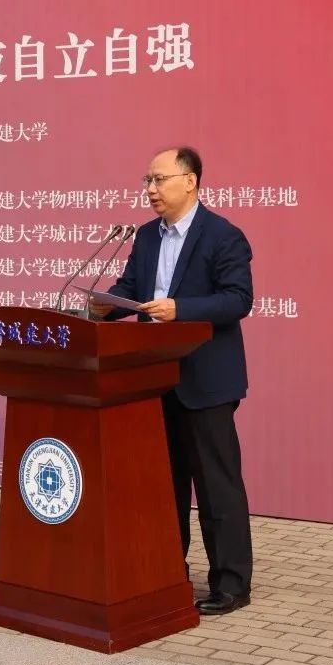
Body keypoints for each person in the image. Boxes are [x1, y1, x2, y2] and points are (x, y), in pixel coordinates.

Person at [89, 146, 254, 615]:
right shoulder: (146, 236)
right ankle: (165, 571)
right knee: (164, 487)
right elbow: (131, 288)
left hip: (206, 381)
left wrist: (181, 309)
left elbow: (237, 299)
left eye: (159, 179)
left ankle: (230, 584)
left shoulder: (223, 236)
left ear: (190, 181)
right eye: (147, 180)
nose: (151, 189)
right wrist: (106, 304)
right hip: (153, 379)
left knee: (216, 487)